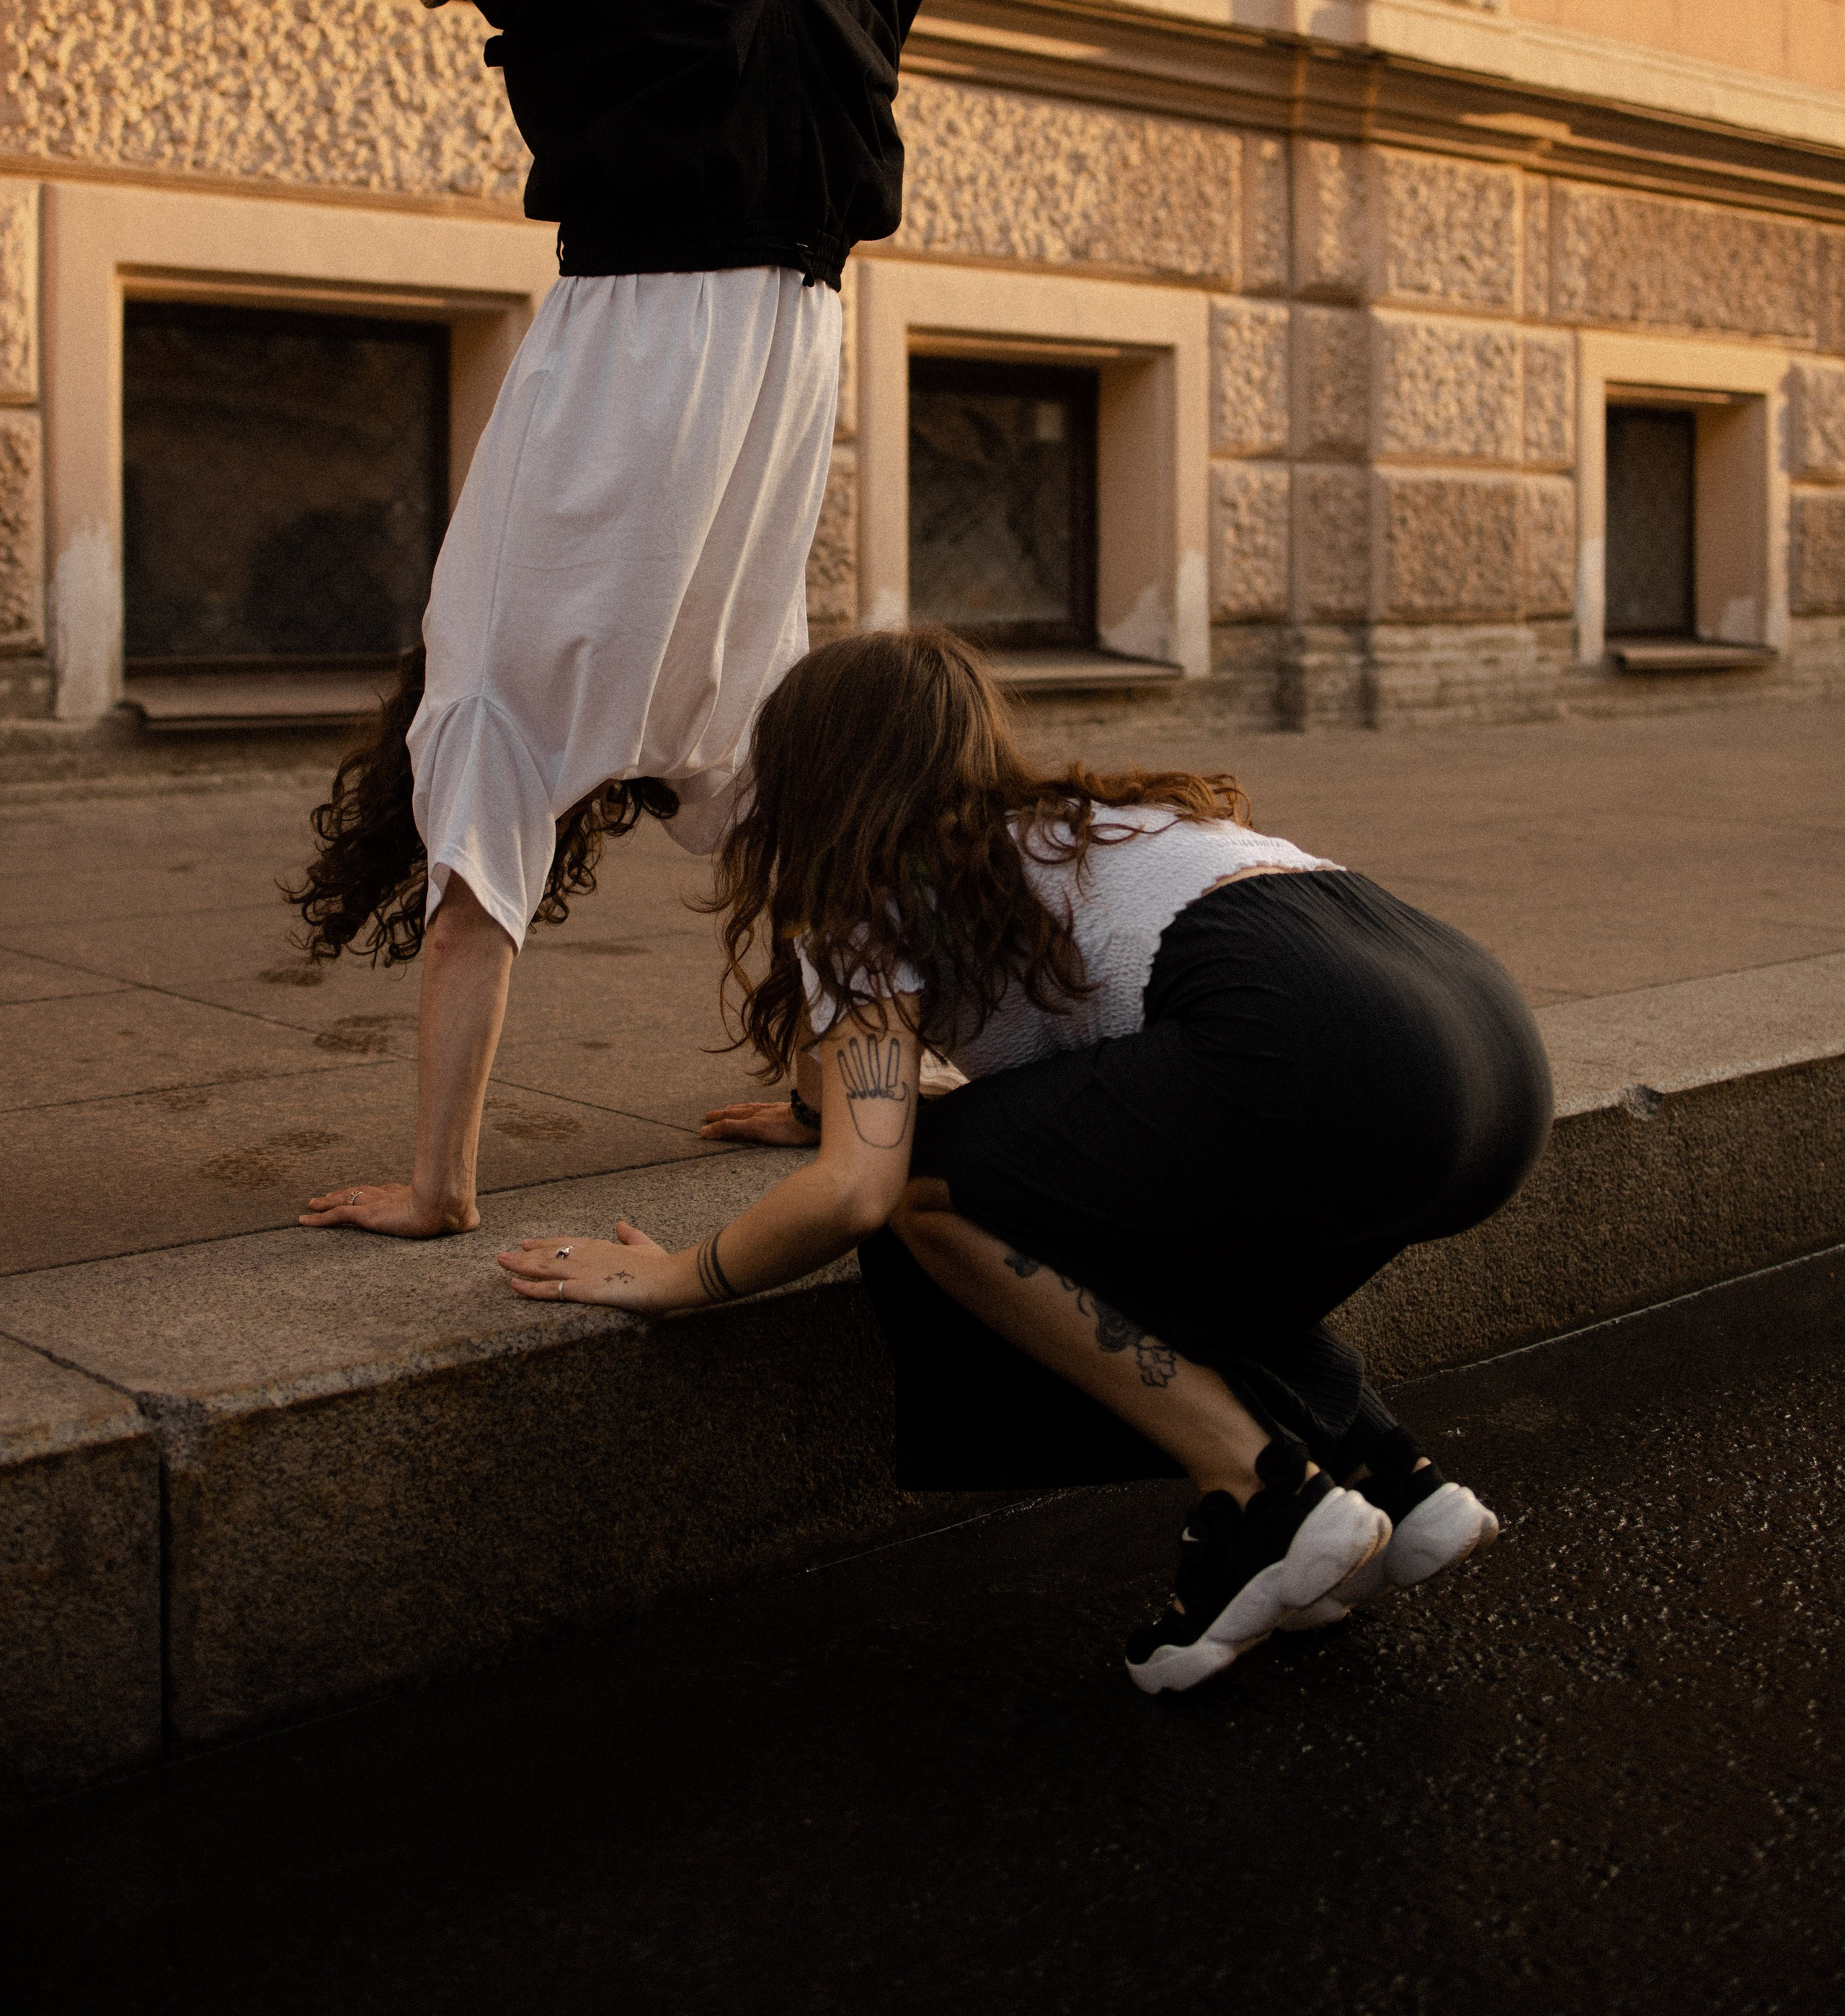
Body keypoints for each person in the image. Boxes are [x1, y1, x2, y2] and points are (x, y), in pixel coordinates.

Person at [182, 0, 949, 1240]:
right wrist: (438, 1188)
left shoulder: (687, 726)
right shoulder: (507, 694)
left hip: (783, 173)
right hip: (699, 128)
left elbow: (687, 882)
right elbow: (482, 908)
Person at [496, 626, 1553, 1695]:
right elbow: (1003, 1102)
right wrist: (853, 1107)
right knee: (1111, 1199)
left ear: (811, 776)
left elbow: (863, 1187)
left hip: (1313, 1060)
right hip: (1489, 1065)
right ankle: (1390, 1477)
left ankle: (1264, 1492)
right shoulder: (1088, 824)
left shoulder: (869, 890)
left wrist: (682, 1274)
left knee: (926, 1191)